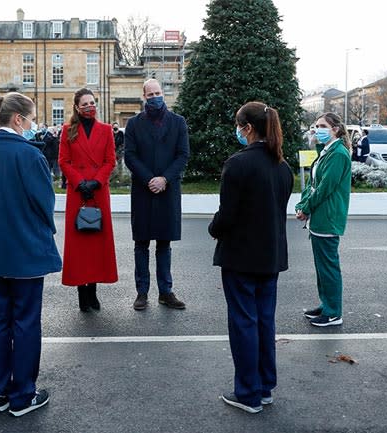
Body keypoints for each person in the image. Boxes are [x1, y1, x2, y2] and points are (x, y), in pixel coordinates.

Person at [0, 91, 61, 417]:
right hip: (25, 250)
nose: (33, 124)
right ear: (18, 119)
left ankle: (0, 393)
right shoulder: (30, 155)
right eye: (31, 118)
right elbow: (45, 203)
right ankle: (23, 394)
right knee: (25, 323)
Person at [209, 102, 293, 414]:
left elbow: (227, 215)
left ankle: (247, 393)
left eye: (238, 125)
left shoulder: (238, 164)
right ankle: (265, 386)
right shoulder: (281, 166)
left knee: (244, 322)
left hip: (241, 256)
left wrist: (213, 228)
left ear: (247, 128)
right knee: (264, 322)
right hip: (270, 256)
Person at [124, 78, 190, 311]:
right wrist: (149, 179)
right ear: (144, 97)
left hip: (167, 190)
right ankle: (142, 292)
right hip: (143, 191)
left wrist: (164, 179)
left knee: (164, 244)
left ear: (164, 94)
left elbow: (182, 155)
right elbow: (129, 156)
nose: (154, 98)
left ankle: (166, 292)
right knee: (141, 244)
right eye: (150, 95)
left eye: (157, 93)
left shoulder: (178, 122)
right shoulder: (133, 124)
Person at [58, 88, 118, 312]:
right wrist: (80, 182)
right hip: (78, 192)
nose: (89, 107)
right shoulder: (67, 130)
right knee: (80, 245)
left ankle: (93, 292)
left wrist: (96, 182)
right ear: (76, 107)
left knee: (96, 245)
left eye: (92, 103)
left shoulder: (105, 130)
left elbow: (110, 160)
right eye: (84, 104)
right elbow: (64, 161)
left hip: (98, 192)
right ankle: (82, 294)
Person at [295, 112, 352, 327]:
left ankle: (333, 313)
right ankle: (326, 304)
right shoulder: (327, 151)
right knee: (322, 267)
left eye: (321, 126)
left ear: (335, 129)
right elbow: (312, 184)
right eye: (315, 125)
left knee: (328, 267)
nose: (316, 129)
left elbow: (324, 188)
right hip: (320, 217)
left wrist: (307, 208)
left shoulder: (338, 154)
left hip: (328, 217)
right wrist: (303, 205)